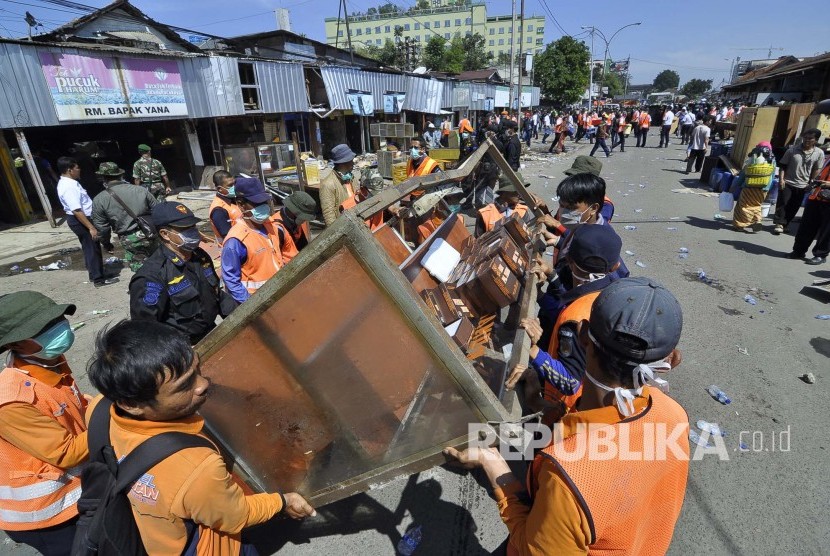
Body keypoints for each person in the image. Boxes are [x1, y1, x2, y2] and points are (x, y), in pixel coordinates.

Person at [444, 277, 688, 555]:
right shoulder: (674, 415)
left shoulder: (569, 476)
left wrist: (491, 461)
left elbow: (530, 548)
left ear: (583, 335)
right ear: (671, 360)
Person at [86, 320, 316, 555]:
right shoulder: (196, 466)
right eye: (184, 385)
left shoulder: (98, 410)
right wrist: (282, 502)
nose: (203, 384)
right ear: (132, 404)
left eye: (198, 369)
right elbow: (235, 515)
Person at [0, 292, 89, 556]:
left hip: (73, 499)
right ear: (16, 343)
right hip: (46, 515)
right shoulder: (12, 401)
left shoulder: (48, 361)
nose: (58, 327)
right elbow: (67, 452)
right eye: (44, 327)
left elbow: (72, 402)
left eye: (58, 319)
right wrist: (113, 416)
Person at [520, 224, 623, 418]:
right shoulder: (614, 292)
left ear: (568, 260)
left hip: (569, 411)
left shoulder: (574, 319)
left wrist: (534, 350)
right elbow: (579, 293)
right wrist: (552, 277)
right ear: (615, 266)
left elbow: (570, 382)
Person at [130, 202, 236, 344]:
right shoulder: (152, 276)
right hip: (182, 348)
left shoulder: (199, 256)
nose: (193, 232)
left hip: (211, 335)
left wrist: (240, 316)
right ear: (165, 234)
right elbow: (147, 330)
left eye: (193, 227)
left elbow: (216, 293)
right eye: (185, 229)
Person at [56, 157, 117, 288]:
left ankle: (94, 274)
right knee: (92, 248)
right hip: (81, 220)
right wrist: (91, 227)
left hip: (81, 219)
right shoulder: (68, 187)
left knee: (89, 247)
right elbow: (77, 210)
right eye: (77, 168)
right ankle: (98, 279)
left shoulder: (72, 182)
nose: (79, 170)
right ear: (69, 170)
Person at [221, 178, 284, 304]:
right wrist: (251, 306)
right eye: (256, 203)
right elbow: (231, 281)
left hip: (279, 297)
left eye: (265, 202)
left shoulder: (270, 225)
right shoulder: (236, 240)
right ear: (240, 204)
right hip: (257, 303)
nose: (263, 207)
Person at [91, 162, 158, 272]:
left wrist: (107, 244)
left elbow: (102, 227)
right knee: (159, 262)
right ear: (120, 175)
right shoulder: (140, 190)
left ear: (103, 178)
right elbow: (158, 210)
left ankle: (149, 287)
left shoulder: (99, 199)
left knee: (141, 269)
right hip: (151, 232)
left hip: (130, 239)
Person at [773, 129, 825, 234]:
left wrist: (811, 182)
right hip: (788, 181)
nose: (806, 140)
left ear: (816, 140)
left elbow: (817, 169)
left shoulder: (819, 153)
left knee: (794, 206)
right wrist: (781, 179)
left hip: (803, 184)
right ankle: (779, 223)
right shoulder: (792, 150)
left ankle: (786, 224)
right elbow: (783, 166)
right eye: (805, 137)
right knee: (783, 203)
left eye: (810, 138)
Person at [789, 146, 830, 265]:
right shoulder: (826, 157)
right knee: (806, 226)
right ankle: (798, 251)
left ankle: (820, 255)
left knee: (826, 231)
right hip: (816, 196)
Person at [732, 142, 777, 234]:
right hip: (763, 188)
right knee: (756, 205)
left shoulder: (753, 158)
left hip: (748, 187)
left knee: (744, 206)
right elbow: (772, 177)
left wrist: (737, 184)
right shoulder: (772, 161)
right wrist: (768, 188)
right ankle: (757, 220)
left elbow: (744, 174)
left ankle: (740, 225)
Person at [563, 155, 614, 222]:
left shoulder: (605, 204)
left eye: (575, 178)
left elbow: (597, 229)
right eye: (570, 177)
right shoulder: (569, 197)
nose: (570, 181)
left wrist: (557, 225)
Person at [271, 191, 316, 263]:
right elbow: (276, 259)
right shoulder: (276, 228)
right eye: (303, 216)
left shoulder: (295, 222)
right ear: (293, 211)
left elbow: (303, 247)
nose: (304, 220)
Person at [320, 144, 357, 227]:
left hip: (355, 222)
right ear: (342, 163)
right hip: (343, 226)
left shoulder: (352, 178)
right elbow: (329, 215)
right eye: (350, 160)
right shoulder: (328, 184)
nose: (353, 163)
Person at [208, 170, 242, 245]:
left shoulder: (234, 199)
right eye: (230, 185)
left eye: (234, 184)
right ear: (220, 189)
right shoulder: (219, 210)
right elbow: (229, 237)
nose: (234, 187)